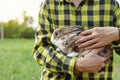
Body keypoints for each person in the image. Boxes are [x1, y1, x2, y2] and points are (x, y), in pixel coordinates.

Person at [33, 0, 120, 80]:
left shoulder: (111, 4)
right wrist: (75, 64)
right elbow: (40, 50)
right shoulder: (49, 4)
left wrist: (117, 34)